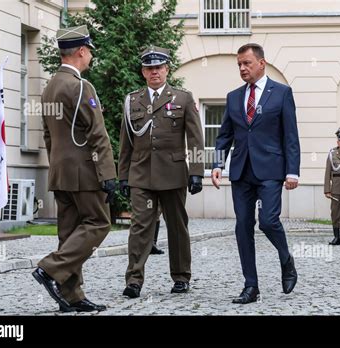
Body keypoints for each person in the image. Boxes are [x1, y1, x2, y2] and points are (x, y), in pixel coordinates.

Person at [32, 25, 116, 312]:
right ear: (81, 51)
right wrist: (108, 174)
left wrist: (56, 165)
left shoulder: (50, 87)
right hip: (84, 171)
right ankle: (50, 267)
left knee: (68, 233)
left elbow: (47, 135)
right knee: (99, 223)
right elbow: (97, 134)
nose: (90, 56)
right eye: (90, 50)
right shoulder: (81, 86)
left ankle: (73, 296)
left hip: (59, 172)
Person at [211, 43, 300, 304]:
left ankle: (286, 259)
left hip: (271, 169)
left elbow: (290, 136)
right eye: (239, 64)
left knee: (269, 221)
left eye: (246, 63)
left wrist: (292, 171)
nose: (242, 68)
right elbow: (224, 135)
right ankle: (251, 286)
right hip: (241, 171)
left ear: (261, 63)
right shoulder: (233, 96)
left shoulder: (282, 93)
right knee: (242, 227)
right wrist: (217, 164)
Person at [118, 46, 205, 298]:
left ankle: (180, 276)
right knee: (139, 228)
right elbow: (126, 142)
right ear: (143, 71)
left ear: (167, 69)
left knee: (177, 227)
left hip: (173, 174)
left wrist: (196, 172)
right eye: (149, 68)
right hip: (141, 175)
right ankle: (134, 280)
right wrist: (123, 175)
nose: (154, 71)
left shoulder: (183, 98)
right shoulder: (133, 100)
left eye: (159, 67)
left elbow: (196, 139)